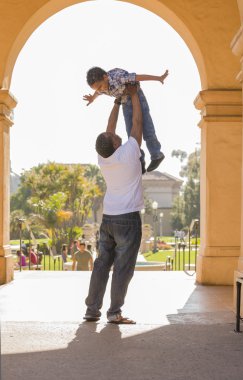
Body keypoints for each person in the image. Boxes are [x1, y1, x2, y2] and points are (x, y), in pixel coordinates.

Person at [84, 84, 143, 324]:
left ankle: (92, 310)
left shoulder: (104, 157)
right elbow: (137, 124)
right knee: (122, 268)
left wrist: (117, 102)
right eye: (114, 136)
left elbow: (109, 130)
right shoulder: (129, 152)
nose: (115, 132)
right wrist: (135, 94)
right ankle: (114, 312)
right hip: (128, 219)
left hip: (108, 218)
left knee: (101, 265)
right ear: (115, 144)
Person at [83, 67, 169, 173]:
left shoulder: (118, 78)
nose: (100, 90)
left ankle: (156, 154)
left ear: (105, 77)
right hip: (124, 100)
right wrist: (92, 98)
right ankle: (139, 158)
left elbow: (139, 77)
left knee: (147, 127)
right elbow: (98, 92)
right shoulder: (101, 88)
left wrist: (158, 78)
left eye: (100, 86)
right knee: (131, 132)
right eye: (97, 89)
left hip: (136, 94)